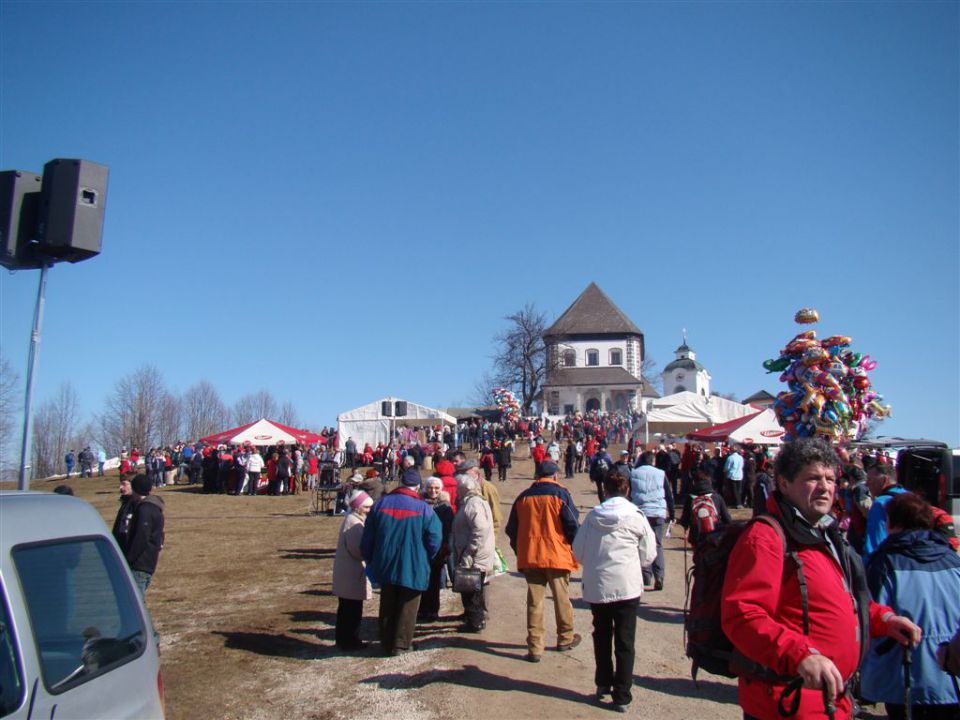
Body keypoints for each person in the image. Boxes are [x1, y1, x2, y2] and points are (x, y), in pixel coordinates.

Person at [721, 438, 922, 720]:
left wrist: (884, 620)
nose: (825, 487)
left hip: (829, 700)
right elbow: (742, 615)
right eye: (812, 478)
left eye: (830, 478)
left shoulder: (823, 533)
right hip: (788, 702)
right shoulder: (765, 537)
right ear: (784, 483)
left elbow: (839, 602)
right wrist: (801, 655)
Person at [860, 492, 960, 720]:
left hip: (906, 676)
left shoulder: (884, 562)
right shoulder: (953, 559)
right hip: (953, 674)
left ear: (892, 522)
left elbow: (870, 616)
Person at [573, 468, 656, 712]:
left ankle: (603, 682)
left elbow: (578, 552)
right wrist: (632, 562)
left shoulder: (592, 517)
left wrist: (596, 561)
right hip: (627, 585)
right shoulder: (636, 516)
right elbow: (649, 553)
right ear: (627, 490)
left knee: (601, 634)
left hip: (599, 584)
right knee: (625, 640)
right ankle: (622, 694)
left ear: (605, 490)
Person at [360, 464, 441, 656]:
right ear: (416, 487)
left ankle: (386, 641)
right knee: (409, 604)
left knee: (387, 600)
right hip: (414, 562)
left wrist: (370, 556)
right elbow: (435, 539)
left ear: (401, 483)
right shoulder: (424, 508)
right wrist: (428, 557)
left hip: (386, 560)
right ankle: (401, 643)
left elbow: (368, 536)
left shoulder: (380, 504)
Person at [505, 460, 581, 663]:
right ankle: (565, 637)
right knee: (561, 598)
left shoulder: (523, 497)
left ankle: (535, 647)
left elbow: (511, 528)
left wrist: (520, 549)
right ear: (555, 475)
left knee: (534, 603)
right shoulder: (561, 494)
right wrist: (575, 548)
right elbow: (573, 523)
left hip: (531, 556)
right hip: (557, 555)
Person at [451, 473, 496, 632]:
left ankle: (475, 622)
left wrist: (469, 551)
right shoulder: (474, 502)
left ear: (464, 489)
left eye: (458, 489)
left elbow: (481, 529)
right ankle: (472, 617)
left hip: (474, 556)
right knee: (474, 588)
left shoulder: (473, 504)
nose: (456, 492)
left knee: (471, 589)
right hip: (476, 553)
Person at [332, 490, 374, 650]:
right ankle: (348, 641)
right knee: (350, 610)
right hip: (351, 572)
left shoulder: (354, 520)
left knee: (349, 608)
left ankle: (347, 639)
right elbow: (357, 550)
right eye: (366, 507)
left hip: (349, 571)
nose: (369, 511)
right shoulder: (354, 523)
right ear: (358, 507)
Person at [629, 451, 674, 591]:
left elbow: (629, 493)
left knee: (642, 542)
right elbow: (668, 494)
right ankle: (659, 575)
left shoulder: (634, 473)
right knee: (658, 544)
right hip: (658, 512)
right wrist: (672, 513)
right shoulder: (661, 473)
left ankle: (646, 575)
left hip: (641, 512)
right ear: (653, 461)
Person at [418, 478, 454, 623]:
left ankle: (432, 610)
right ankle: (421, 609)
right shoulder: (420, 504)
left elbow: (449, 529)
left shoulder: (445, 507)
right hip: (421, 548)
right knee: (421, 580)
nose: (433, 491)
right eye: (430, 487)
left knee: (434, 581)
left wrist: (445, 547)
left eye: (436, 488)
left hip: (438, 549)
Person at [124, 474, 165, 596]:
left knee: (134, 600)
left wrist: (129, 559)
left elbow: (141, 537)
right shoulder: (153, 507)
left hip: (140, 563)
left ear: (135, 488)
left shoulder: (145, 510)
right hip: (147, 562)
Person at [863, 462, 907, 565]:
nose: (866, 484)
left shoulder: (880, 503)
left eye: (870, 479)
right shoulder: (911, 497)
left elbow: (874, 544)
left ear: (884, 480)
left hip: (891, 564)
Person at [679, 468, 732, 548]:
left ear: (694, 483)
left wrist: (686, 526)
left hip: (696, 536)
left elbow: (684, 520)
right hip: (714, 534)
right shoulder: (716, 497)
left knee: (698, 557)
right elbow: (727, 519)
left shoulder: (691, 498)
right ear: (709, 482)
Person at [111, 473, 139, 552]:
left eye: (124, 484)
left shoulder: (137, 504)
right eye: (120, 484)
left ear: (133, 485)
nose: (120, 487)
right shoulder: (126, 502)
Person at [723, 444, 745, 509]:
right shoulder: (741, 457)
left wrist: (725, 472)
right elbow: (742, 466)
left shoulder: (730, 458)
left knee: (734, 491)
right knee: (739, 490)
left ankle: (736, 503)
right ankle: (739, 502)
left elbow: (727, 467)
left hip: (732, 475)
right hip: (740, 475)